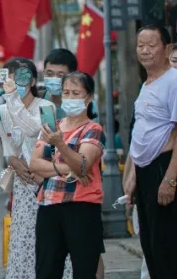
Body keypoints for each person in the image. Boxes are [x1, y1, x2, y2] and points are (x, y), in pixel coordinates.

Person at [0, 58, 68, 279]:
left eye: (21, 77)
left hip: (48, 183)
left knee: (51, 242)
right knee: (23, 242)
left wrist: (12, 98)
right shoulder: (2, 109)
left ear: (33, 81)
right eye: (9, 76)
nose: (15, 82)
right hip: (23, 185)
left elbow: (34, 128)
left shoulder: (46, 107)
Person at [123, 25, 177, 279]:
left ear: (167, 49)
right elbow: (142, 132)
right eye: (140, 45)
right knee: (151, 245)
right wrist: (133, 174)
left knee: (168, 246)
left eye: (151, 45)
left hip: (167, 167)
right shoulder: (147, 83)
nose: (144, 51)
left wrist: (170, 179)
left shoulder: (176, 82)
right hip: (146, 169)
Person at [29, 72, 105, 279]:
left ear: (88, 98)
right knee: (46, 270)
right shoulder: (52, 127)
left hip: (81, 206)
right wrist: (66, 169)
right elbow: (34, 164)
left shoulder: (93, 129)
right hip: (48, 204)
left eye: (76, 93)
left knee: (84, 269)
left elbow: (83, 166)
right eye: (66, 93)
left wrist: (60, 145)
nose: (70, 98)